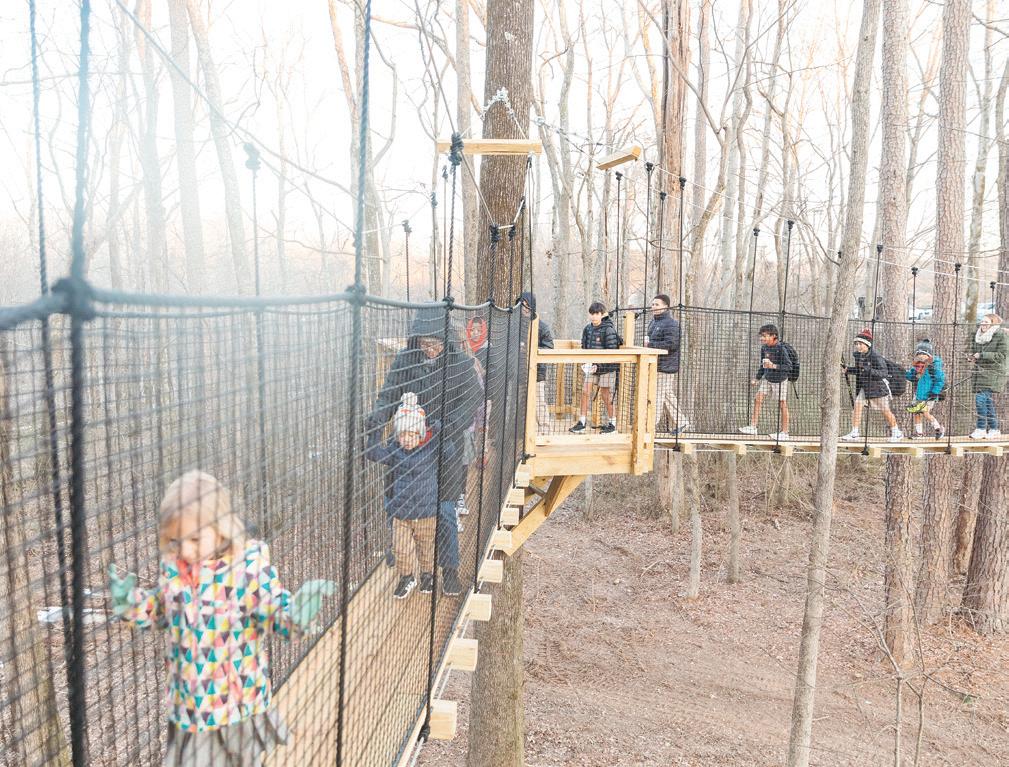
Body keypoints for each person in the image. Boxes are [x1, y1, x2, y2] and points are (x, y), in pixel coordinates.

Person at [108, 471, 334, 765]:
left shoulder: (247, 571)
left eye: (195, 539)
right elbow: (160, 610)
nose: (185, 550)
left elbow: (273, 611)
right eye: (175, 541)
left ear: (221, 529)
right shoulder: (175, 571)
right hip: (191, 704)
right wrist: (131, 604)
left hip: (235, 703)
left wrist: (296, 615)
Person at [367, 305, 481, 597]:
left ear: (446, 339)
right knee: (395, 502)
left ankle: (449, 571)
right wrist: (377, 419)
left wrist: (448, 425)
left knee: (444, 511)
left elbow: (473, 398)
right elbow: (388, 395)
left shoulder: (460, 364)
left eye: (435, 343)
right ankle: (401, 559)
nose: (430, 349)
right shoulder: (406, 360)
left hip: (443, 448)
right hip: (407, 446)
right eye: (424, 343)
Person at [366, 392, 441, 598]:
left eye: (411, 434)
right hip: (401, 512)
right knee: (400, 548)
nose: (406, 439)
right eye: (402, 435)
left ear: (420, 433)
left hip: (426, 512)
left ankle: (427, 575)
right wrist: (374, 431)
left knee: (426, 548)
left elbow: (449, 450)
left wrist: (440, 429)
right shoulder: (396, 451)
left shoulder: (431, 448)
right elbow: (373, 454)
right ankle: (407, 577)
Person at [841, 329, 904, 442]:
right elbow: (860, 370)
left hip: (878, 389)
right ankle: (854, 433)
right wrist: (848, 370)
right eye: (856, 344)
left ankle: (897, 432)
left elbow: (883, 373)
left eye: (860, 344)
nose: (858, 346)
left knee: (885, 410)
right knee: (857, 406)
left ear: (867, 344)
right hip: (865, 388)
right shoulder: (860, 356)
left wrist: (868, 369)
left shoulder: (876, 357)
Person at [570, 302, 621, 434]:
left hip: (607, 368)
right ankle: (582, 422)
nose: (593, 316)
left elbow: (612, 353)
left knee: (606, 395)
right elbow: (584, 347)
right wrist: (585, 362)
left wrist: (599, 366)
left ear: (602, 314)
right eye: (591, 313)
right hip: (591, 367)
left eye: (596, 314)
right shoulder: (587, 329)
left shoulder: (609, 330)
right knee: (585, 391)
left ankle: (612, 424)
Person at [645, 294, 689, 435]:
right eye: (653, 304)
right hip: (654, 365)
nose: (653, 307)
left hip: (665, 366)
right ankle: (682, 422)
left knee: (657, 395)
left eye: (657, 304)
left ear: (666, 306)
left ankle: (651, 426)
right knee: (666, 394)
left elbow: (672, 344)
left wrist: (650, 345)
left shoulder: (672, 324)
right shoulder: (653, 323)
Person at [739, 323, 792, 440]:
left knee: (782, 404)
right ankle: (753, 427)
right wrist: (757, 378)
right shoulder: (764, 348)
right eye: (761, 336)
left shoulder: (781, 348)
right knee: (758, 398)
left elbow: (789, 367)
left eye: (764, 335)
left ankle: (785, 432)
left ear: (773, 336)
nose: (761, 338)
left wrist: (774, 366)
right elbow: (762, 365)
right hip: (767, 378)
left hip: (780, 380)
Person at [969, 313, 1009, 439]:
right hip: (981, 372)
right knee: (986, 402)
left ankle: (981, 428)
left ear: (993, 323)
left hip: (995, 372)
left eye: (986, 322)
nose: (983, 323)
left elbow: (1002, 355)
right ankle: (994, 429)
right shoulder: (978, 336)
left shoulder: (1000, 335)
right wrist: (973, 357)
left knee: (980, 399)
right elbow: (976, 352)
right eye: (982, 321)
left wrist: (982, 355)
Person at [519, 291, 555, 427]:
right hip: (519, 372)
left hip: (537, 372)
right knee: (520, 403)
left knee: (539, 402)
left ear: (532, 306)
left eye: (527, 305)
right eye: (522, 305)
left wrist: (530, 350)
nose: (524, 308)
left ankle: (545, 429)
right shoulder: (515, 324)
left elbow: (549, 348)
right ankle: (523, 431)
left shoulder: (541, 326)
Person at [905, 340, 945, 439]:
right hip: (919, 394)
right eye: (919, 354)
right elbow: (912, 377)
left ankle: (938, 429)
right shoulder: (917, 366)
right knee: (916, 412)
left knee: (925, 412)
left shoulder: (934, 365)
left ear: (928, 355)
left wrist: (934, 392)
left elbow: (940, 380)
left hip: (929, 394)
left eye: (923, 354)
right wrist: (903, 373)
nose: (921, 356)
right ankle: (919, 434)